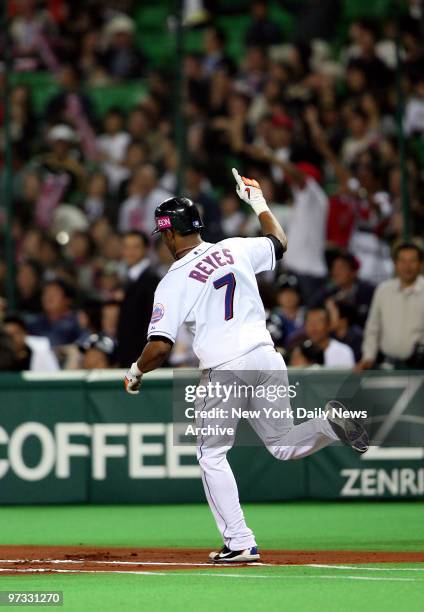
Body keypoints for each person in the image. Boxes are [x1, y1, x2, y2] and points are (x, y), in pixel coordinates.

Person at [123, 169, 368, 563]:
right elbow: (279, 242)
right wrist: (258, 203)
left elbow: (159, 348)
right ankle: (329, 423)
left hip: (225, 367)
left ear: (169, 234)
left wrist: (135, 371)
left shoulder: (174, 279)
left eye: (163, 234)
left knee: (211, 454)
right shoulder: (235, 247)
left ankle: (239, 541)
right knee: (282, 444)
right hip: (265, 356)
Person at [357, 242, 424, 370]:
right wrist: (368, 357)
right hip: (389, 365)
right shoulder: (383, 290)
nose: (407, 266)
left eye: (412, 261)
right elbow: (373, 327)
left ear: (421, 264)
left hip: (421, 367)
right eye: (402, 261)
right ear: (395, 264)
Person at [116, 232, 159, 367]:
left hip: (141, 360)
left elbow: (152, 323)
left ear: (146, 249)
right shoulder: (129, 279)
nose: (130, 252)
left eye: (135, 247)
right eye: (126, 247)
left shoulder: (151, 280)